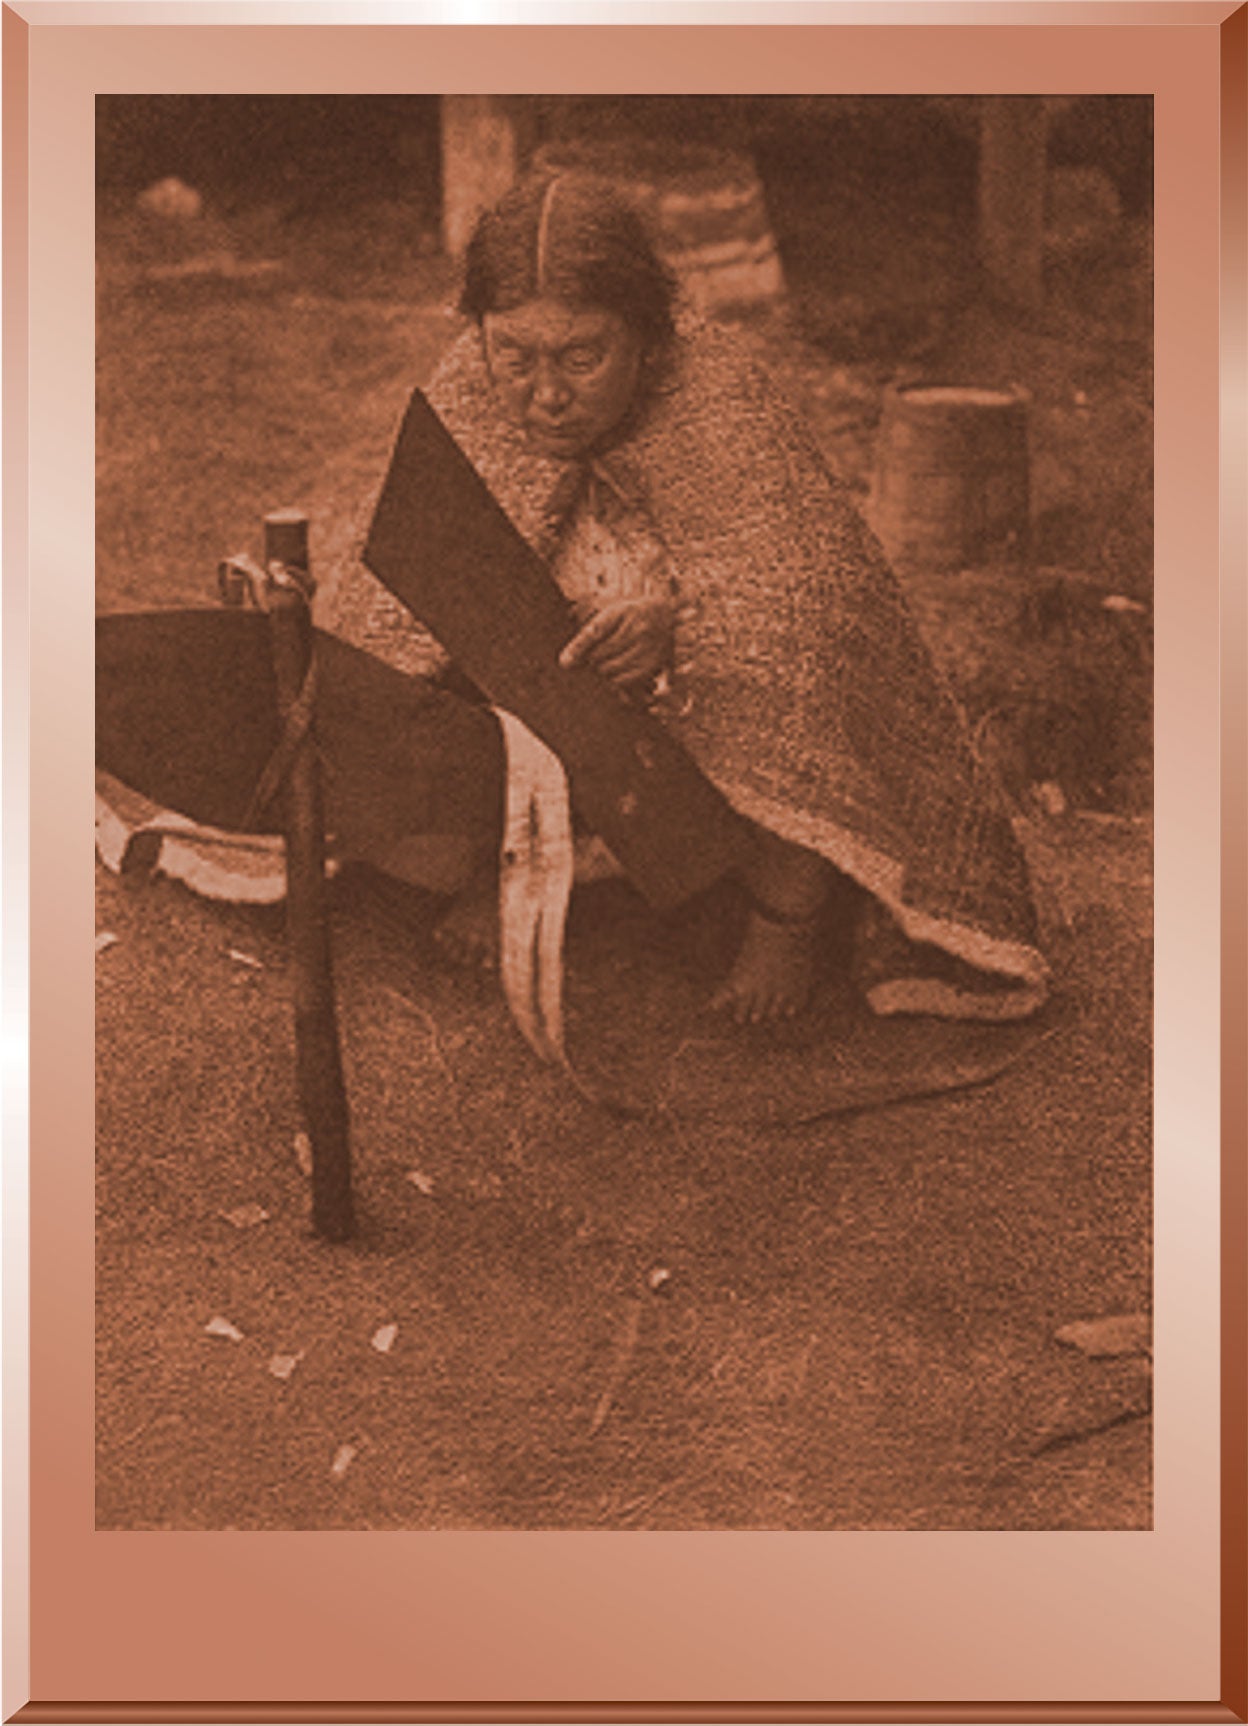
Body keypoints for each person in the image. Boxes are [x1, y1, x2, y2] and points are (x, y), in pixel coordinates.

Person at [328, 170, 1048, 1027]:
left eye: (583, 358)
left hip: (691, 737)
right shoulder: (473, 386)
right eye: (514, 357)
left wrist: (677, 627)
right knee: (438, 634)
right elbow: (402, 582)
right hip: (540, 714)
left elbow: (803, 600)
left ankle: (785, 918)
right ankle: (502, 861)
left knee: (787, 664)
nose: (546, 395)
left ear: (645, 336)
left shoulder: (719, 401)